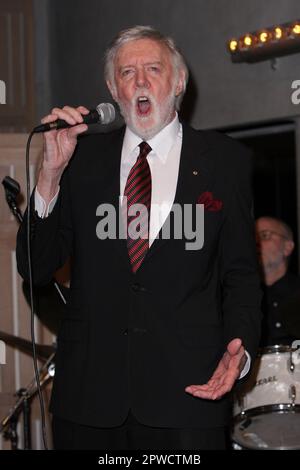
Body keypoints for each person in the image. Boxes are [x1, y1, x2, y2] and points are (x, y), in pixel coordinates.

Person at [16, 25, 261, 450]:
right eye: (127, 73)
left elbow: (240, 274)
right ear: (114, 89)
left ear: (179, 81)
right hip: (89, 404)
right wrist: (50, 176)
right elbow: (36, 268)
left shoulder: (225, 162)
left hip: (188, 399)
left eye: (153, 68)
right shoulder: (79, 161)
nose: (141, 81)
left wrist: (239, 349)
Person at [256, 216, 300, 346]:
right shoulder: (237, 296)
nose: (256, 242)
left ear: (287, 247)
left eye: (264, 235)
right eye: (252, 237)